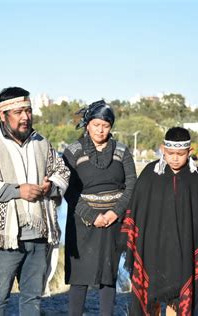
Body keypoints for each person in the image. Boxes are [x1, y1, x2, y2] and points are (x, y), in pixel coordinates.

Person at [0, 87, 70, 315]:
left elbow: (61, 171)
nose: (25, 117)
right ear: (3, 115)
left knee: (32, 298)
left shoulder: (42, 142)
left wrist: (51, 185)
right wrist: (18, 191)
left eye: (28, 110)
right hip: (2, 238)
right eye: (18, 112)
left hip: (38, 234)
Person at [122, 127, 198, 315]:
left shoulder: (196, 179)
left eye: (180, 154)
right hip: (151, 250)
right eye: (170, 153)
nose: (175, 158)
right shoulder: (150, 174)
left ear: (189, 152)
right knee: (150, 298)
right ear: (162, 149)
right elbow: (136, 211)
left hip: (184, 252)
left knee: (178, 298)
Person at [62, 100, 137, 316]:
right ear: (87, 125)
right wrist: (91, 215)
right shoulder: (73, 151)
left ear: (111, 127)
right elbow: (68, 188)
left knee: (108, 274)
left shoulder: (122, 151)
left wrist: (115, 212)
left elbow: (132, 184)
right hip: (82, 222)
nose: (100, 130)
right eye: (96, 124)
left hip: (114, 221)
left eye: (105, 125)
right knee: (79, 276)